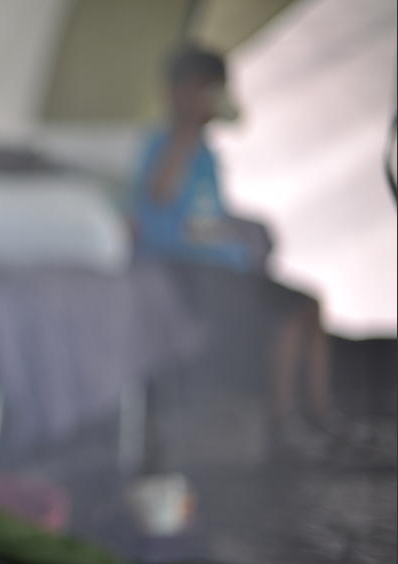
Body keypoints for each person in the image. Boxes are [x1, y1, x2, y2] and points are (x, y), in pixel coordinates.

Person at [132, 44, 332, 445]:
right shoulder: (163, 144)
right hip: (184, 268)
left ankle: (320, 414)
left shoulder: (206, 154)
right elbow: (159, 197)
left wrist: (238, 236)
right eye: (206, 91)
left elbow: (209, 214)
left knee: (308, 304)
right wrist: (186, 130)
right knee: (288, 311)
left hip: (221, 266)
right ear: (182, 92)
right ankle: (283, 422)